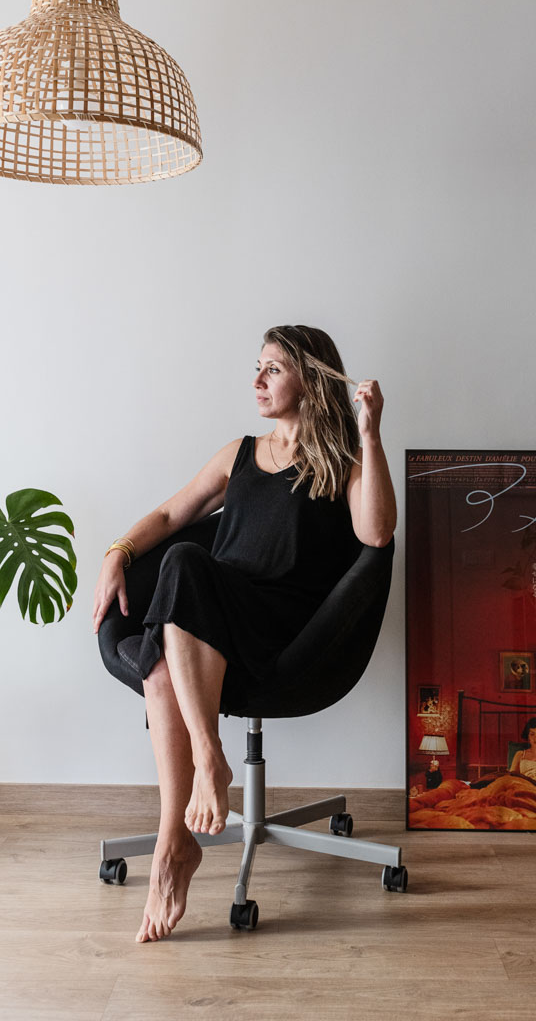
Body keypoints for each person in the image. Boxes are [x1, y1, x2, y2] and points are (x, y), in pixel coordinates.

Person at [91, 325, 396, 943]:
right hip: (209, 618)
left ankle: (205, 772)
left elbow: (377, 535)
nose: (257, 380)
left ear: (311, 378)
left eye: (274, 369)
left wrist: (369, 434)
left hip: (283, 634)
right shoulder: (239, 453)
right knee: (163, 638)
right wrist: (117, 551)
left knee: (177, 587)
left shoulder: (340, 459)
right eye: (256, 367)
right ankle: (180, 828)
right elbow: (176, 514)